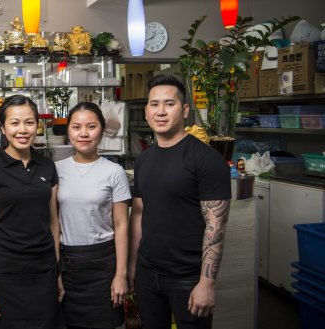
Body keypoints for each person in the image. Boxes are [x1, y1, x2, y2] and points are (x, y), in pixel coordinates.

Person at [128, 75, 231, 329]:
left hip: (189, 278)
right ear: (147, 110)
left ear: (185, 110)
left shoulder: (207, 160)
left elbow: (215, 227)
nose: (160, 112)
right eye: (154, 104)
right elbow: (139, 214)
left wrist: (206, 283)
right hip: (148, 274)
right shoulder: (143, 160)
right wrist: (133, 267)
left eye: (169, 104)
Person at [0, 94, 63, 329]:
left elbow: (53, 223)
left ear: (37, 125)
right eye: (14, 123)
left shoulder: (47, 166)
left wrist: (57, 271)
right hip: (6, 271)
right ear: (3, 128)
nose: (22, 130)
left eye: (29, 122)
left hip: (43, 270)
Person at [55, 102, 130, 329]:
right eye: (77, 127)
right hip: (68, 267)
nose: (84, 134)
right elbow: (52, 225)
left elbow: (121, 226)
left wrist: (121, 275)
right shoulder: (55, 170)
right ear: (68, 131)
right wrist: (56, 272)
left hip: (103, 266)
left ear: (102, 129)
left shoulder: (114, 172)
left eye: (91, 126)